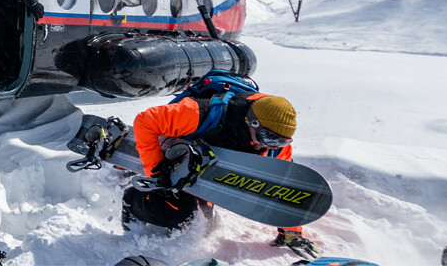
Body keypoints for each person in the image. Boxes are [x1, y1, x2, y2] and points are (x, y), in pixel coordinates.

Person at [125, 88, 320, 260]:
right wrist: (156, 172)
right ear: (252, 122)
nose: (271, 146)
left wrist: (291, 232)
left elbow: (281, 185)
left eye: (281, 142)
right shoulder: (203, 112)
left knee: (203, 226)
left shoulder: (274, 143)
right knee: (174, 212)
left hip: (206, 173)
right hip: (174, 161)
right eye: (269, 138)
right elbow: (146, 121)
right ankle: (131, 202)